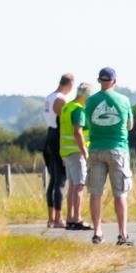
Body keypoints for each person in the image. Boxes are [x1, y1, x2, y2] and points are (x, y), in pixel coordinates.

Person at [85, 67, 134, 246]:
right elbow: (129, 125)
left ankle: (97, 231)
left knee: (95, 192)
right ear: (114, 81)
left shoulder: (90, 101)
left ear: (100, 81)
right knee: (120, 193)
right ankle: (122, 233)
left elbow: (89, 122)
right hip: (118, 149)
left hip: (96, 148)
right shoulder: (124, 100)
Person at [59, 83, 92, 230]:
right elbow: (77, 132)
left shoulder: (67, 107)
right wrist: (85, 151)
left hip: (66, 151)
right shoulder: (79, 110)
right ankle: (76, 218)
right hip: (77, 151)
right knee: (79, 185)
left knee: (72, 186)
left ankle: (70, 218)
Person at [43, 73, 74, 229]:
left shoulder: (49, 97)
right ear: (70, 84)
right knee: (60, 180)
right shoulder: (61, 99)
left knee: (53, 180)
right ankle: (58, 218)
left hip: (49, 135)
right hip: (57, 137)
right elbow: (63, 121)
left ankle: (51, 218)